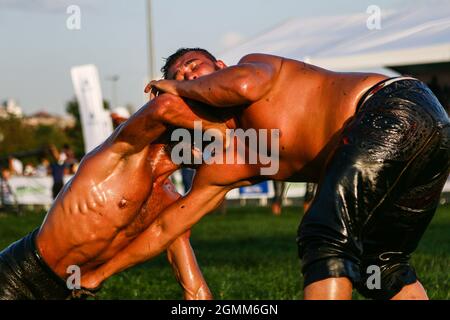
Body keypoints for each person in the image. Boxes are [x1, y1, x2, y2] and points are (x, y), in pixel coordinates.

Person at [80, 48, 450, 300]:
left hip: (394, 106)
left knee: (323, 237)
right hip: (431, 136)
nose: (187, 74)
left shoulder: (253, 67)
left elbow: (241, 86)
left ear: (220, 64)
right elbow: (167, 227)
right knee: (382, 265)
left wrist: (173, 86)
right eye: (180, 74)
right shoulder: (242, 156)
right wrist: (99, 274)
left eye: (194, 66)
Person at [0, 92, 227, 299]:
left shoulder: (172, 204)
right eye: (203, 133)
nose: (211, 145)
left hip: (70, 290)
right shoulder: (119, 155)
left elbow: (195, 290)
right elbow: (160, 109)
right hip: (20, 275)